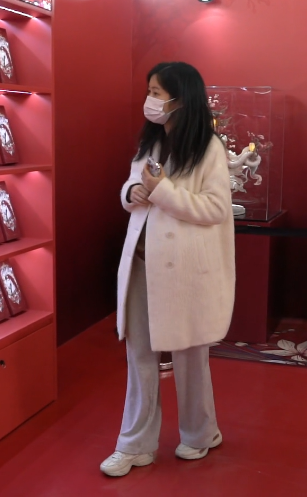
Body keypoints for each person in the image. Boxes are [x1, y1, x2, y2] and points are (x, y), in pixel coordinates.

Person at [100, 62, 236, 477]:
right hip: (143, 266)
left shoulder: (209, 148)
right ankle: (135, 444)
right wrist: (133, 192)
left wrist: (162, 191)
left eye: (157, 92)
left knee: (190, 355)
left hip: (184, 273)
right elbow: (130, 187)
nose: (150, 100)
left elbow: (215, 208)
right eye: (150, 91)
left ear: (181, 98)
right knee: (139, 355)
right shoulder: (153, 142)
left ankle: (200, 432)